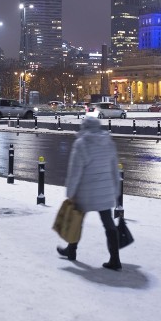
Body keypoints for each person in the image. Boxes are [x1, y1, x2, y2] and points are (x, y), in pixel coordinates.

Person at [57, 116, 122, 271]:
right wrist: (116, 189)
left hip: (85, 191)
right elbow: (114, 168)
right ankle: (115, 259)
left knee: (77, 221)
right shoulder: (108, 142)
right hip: (104, 191)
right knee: (109, 224)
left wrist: (70, 192)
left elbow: (75, 171)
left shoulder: (81, 144)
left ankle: (71, 250)